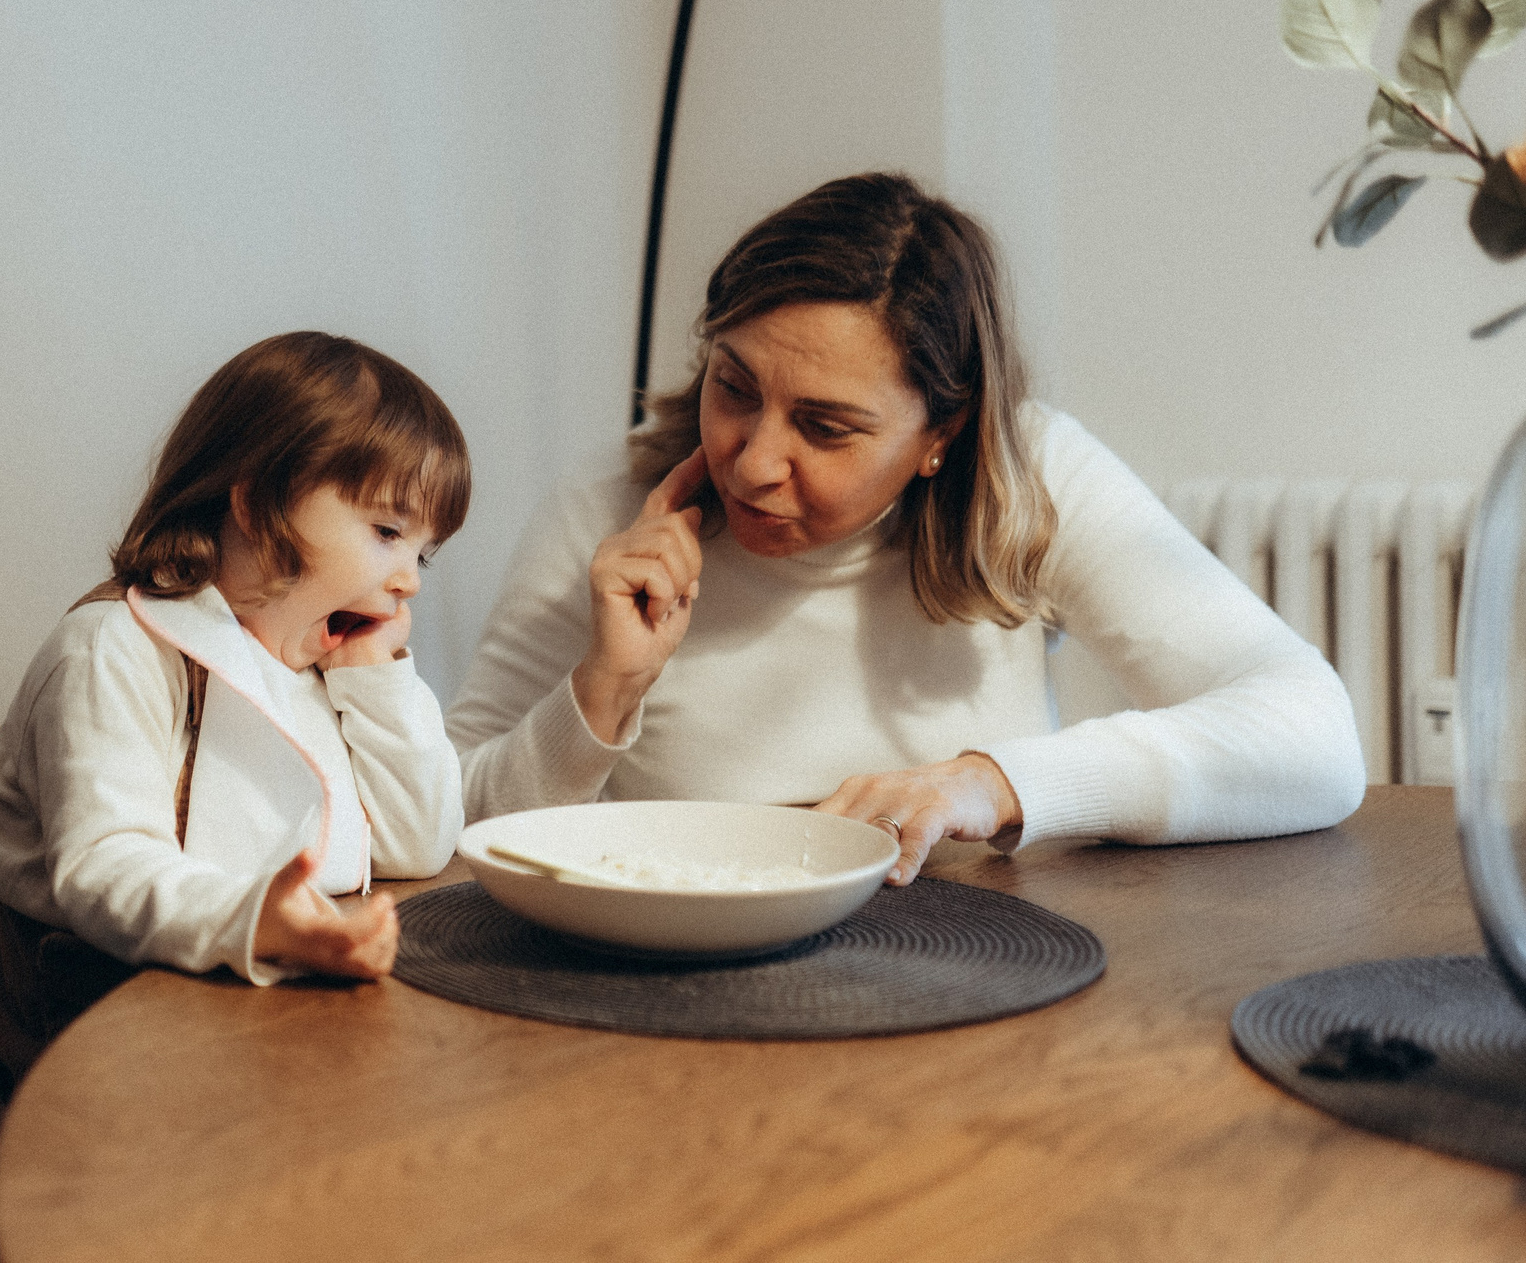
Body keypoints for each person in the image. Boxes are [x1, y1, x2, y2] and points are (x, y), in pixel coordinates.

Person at [446, 173, 1367, 883]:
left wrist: (996, 782)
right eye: (735, 386)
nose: (755, 460)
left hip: (976, 977)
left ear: (942, 433)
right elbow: (441, 813)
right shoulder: (611, 502)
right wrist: (601, 692)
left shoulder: (1029, 477)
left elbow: (1314, 737)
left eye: (826, 426)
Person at [0, 332, 469, 1120]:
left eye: (424, 554)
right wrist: (254, 919)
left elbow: (418, 839)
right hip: (98, 1072)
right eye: (385, 532)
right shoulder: (118, 648)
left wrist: (377, 677)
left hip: (272, 1049)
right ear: (257, 502)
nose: (408, 579)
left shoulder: (316, 670)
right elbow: (104, 867)